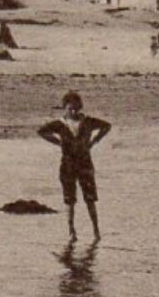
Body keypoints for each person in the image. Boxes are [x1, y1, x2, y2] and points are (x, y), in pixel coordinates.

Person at [37, 91, 113, 241]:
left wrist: (94, 141)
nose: (73, 112)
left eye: (76, 109)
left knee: (90, 199)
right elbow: (41, 132)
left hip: (85, 163)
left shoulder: (88, 121)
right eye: (70, 109)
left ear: (80, 108)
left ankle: (96, 231)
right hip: (67, 164)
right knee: (69, 200)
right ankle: (71, 231)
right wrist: (57, 142)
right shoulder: (59, 124)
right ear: (64, 108)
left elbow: (106, 126)